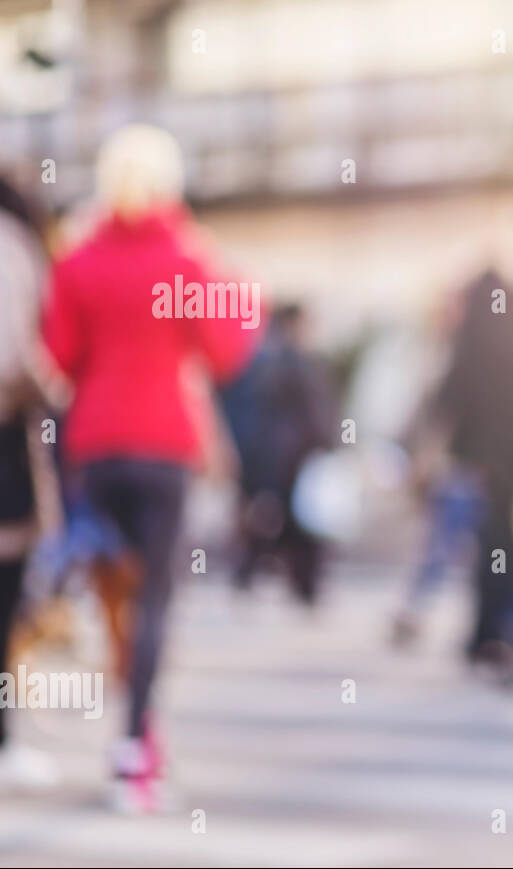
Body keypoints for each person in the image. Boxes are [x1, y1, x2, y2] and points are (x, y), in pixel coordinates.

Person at [41, 125, 259, 810]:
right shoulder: (188, 256)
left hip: (97, 445)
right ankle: (135, 746)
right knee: (157, 597)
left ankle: (129, 723)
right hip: (164, 443)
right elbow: (228, 351)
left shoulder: (76, 260)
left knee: (113, 593)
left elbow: (60, 354)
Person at [0, 174, 60, 791]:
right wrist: (53, 389)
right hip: (5, 446)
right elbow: (14, 355)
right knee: (5, 599)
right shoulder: (11, 246)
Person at [223, 303, 336, 603]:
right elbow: (316, 411)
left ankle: (251, 574)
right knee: (299, 521)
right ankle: (303, 586)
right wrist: (329, 444)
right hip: (295, 453)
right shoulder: (297, 361)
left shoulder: (260, 359)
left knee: (275, 518)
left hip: (271, 454)